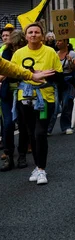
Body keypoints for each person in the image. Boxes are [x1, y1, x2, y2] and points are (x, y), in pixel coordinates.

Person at [11, 22, 63, 185]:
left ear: (42, 35)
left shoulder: (50, 52)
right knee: (31, 133)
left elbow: (60, 77)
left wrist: (43, 75)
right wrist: (29, 75)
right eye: (30, 32)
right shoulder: (19, 54)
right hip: (25, 98)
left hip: (45, 98)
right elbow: (12, 76)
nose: (33, 35)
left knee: (40, 132)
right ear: (26, 36)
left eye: (37, 32)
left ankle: (41, 169)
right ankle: (38, 166)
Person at [0, 30, 28, 171]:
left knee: (24, 125)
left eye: (18, 45)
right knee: (8, 124)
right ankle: (8, 155)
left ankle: (22, 154)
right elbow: (5, 70)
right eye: (14, 45)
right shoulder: (6, 51)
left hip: (24, 93)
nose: (16, 48)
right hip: (7, 94)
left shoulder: (27, 51)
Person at [47, 39, 75, 135]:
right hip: (56, 81)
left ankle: (66, 126)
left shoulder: (72, 54)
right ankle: (48, 128)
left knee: (66, 104)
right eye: (57, 41)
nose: (57, 43)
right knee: (55, 106)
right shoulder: (54, 53)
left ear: (66, 43)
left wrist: (71, 61)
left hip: (68, 81)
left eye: (60, 41)